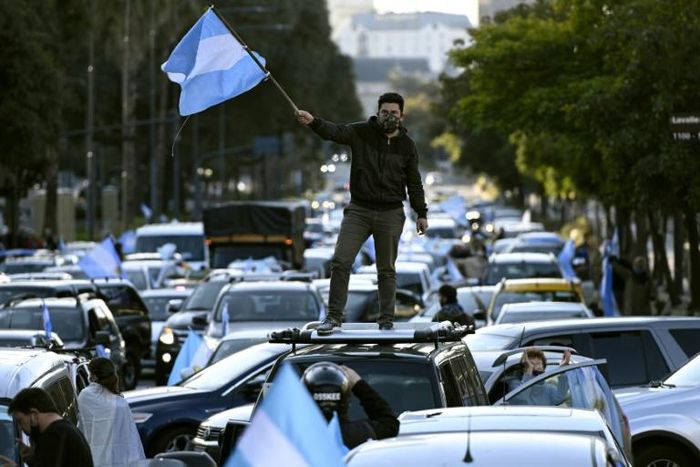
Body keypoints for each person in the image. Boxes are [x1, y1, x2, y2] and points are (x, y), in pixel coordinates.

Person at [296, 92, 429, 332]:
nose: (389, 116)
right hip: (359, 209)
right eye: (385, 112)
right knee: (340, 260)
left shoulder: (407, 146)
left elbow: (414, 182)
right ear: (378, 113)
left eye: (394, 113)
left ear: (402, 116)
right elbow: (334, 131)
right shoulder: (361, 132)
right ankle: (334, 317)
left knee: (386, 270)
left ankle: (386, 321)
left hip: (391, 212)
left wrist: (421, 213)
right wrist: (313, 122)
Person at [302, 362, 399, 449]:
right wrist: (358, 384)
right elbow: (390, 424)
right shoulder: (362, 433)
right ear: (346, 400)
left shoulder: (294, 438)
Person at [77, 357, 145, 467]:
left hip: (94, 459)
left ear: (93, 376)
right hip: (118, 460)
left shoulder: (86, 396)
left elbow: (83, 427)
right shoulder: (121, 404)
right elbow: (130, 440)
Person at [8, 387, 93, 467]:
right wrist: (34, 459)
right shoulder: (64, 430)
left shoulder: (54, 436)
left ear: (33, 414)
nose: (19, 427)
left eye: (20, 421)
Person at [507, 348, 571, 406]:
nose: (535, 367)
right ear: (525, 367)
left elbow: (559, 397)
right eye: (531, 364)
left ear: (543, 367)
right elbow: (522, 396)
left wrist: (562, 370)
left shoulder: (548, 388)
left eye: (538, 363)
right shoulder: (515, 384)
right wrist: (529, 371)